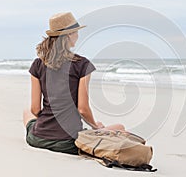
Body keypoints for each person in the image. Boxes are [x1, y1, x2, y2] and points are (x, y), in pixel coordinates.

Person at [23, 12, 125, 155]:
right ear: (68, 36)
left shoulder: (38, 64)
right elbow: (82, 109)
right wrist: (95, 126)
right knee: (119, 126)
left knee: (26, 112)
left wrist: (49, 125)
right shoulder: (82, 64)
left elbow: (35, 109)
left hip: (38, 138)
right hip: (69, 142)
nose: (77, 35)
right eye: (76, 32)